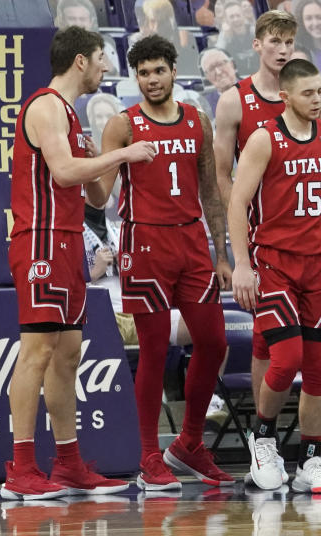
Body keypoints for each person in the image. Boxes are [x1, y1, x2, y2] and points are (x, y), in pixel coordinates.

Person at [3, 26, 156, 500]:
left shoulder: (71, 115)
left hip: (70, 240)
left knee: (68, 355)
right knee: (38, 353)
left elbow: (91, 193)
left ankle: (68, 464)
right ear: (80, 62)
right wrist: (122, 152)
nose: (106, 68)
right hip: (41, 241)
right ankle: (20, 469)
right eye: (101, 58)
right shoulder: (45, 105)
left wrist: (104, 160)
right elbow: (64, 171)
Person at [213, 10, 321, 476]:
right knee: (286, 356)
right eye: (310, 94)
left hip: (319, 263)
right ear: (286, 96)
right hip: (273, 260)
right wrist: (241, 263)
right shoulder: (261, 136)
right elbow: (236, 203)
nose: (319, 100)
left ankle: (313, 458)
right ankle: (264, 436)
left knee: (319, 364)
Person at [95, 35, 233, 491]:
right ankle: (149, 455)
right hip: (145, 241)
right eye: (143, 73)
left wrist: (222, 252)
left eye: (158, 70)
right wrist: (96, 161)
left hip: (193, 240)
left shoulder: (198, 119)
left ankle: (189, 443)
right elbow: (98, 196)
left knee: (213, 341)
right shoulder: (123, 124)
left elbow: (211, 190)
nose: (151, 79)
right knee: (154, 350)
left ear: (174, 71)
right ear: (135, 78)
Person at [54, 0, 121, 76]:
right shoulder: (53, 49)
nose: (78, 24)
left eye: (82, 19)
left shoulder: (106, 47)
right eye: (72, 19)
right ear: (62, 21)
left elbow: (114, 78)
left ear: (91, 22)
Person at [213, 0, 258, 76]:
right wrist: (225, 36)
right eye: (231, 17)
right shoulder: (225, 36)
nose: (236, 19)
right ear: (226, 20)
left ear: (243, 16)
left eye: (238, 15)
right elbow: (217, 57)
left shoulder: (254, 32)